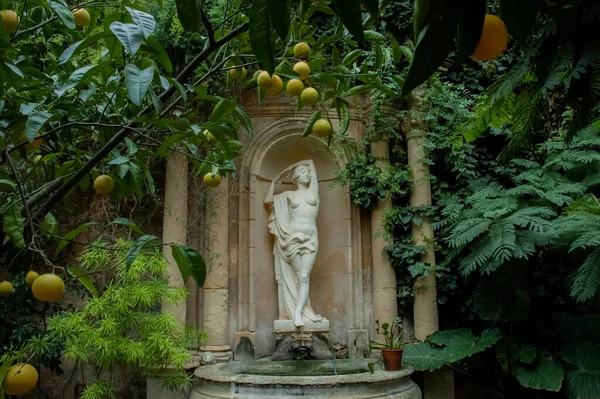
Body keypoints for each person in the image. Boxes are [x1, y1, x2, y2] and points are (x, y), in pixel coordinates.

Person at [264, 159, 322, 327]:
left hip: (310, 238)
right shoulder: (288, 195)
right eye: (303, 172)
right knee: (297, 277)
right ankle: (301, 311)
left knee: (304, 276)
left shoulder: (313, 192)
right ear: (296, 177)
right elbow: (268, 202)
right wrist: (275, 181)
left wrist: (290, 165)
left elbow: (312, 162)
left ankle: (298, 313)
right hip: (292, 238)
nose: (308, 174)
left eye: (308, 173)